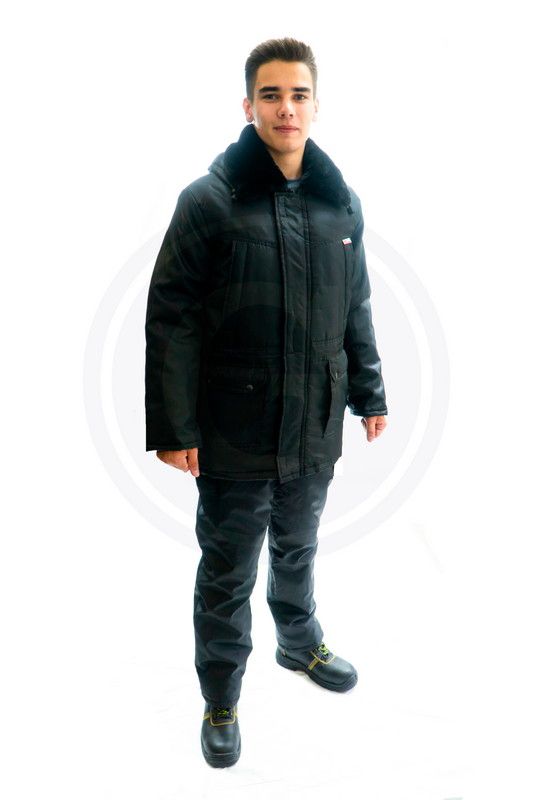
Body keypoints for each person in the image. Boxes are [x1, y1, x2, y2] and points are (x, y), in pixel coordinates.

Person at [144, 37, 388, 768]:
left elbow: (356, 306)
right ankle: (220, 694)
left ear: (316, 104)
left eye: (299, 94)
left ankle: (298, 642)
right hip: (234, 428)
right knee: (228, 568)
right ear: (248, 106)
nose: (287, 108)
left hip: (314, 421)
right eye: (272, 95)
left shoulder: (340, 204)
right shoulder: (209, 201)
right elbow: (172, 318)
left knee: (298, 545)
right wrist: (174, 427)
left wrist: (369, 392)